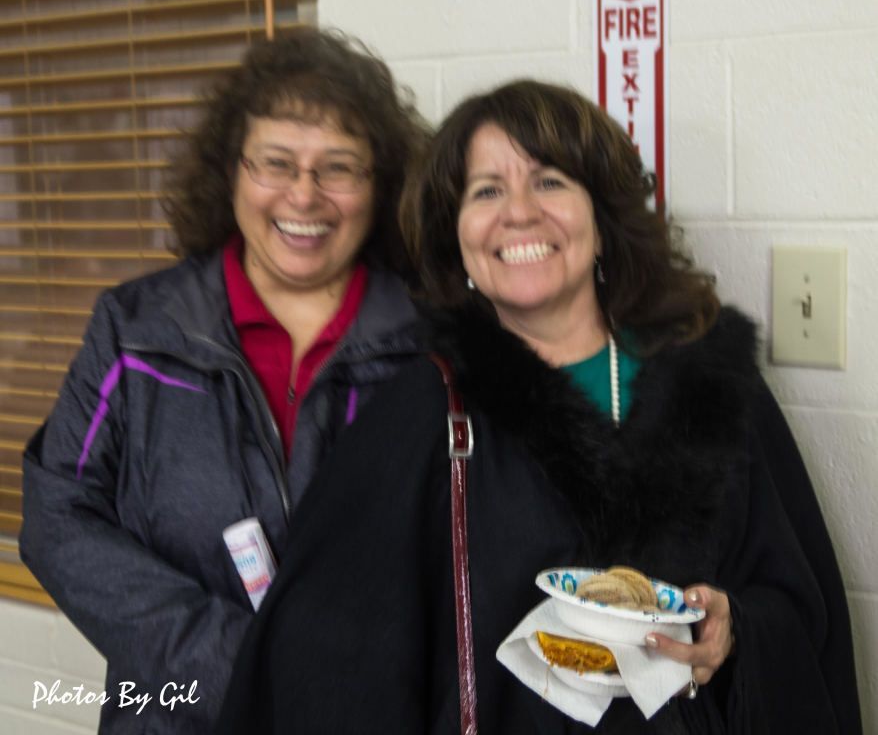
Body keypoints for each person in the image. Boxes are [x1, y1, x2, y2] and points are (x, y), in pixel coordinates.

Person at [218, 81, 861, 734]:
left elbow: (801, 609)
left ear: (603, 222)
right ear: (458, 234)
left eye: (550, 182)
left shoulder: (713, 385)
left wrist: (733, 631)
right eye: (487, 190)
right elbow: (325, 660)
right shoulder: (421, 411)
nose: (519, 213)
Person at [20, 27, 429, 733]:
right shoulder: (136, 329)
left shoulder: (430, 347)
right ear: (232, 172)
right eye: (275, 163)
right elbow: (57, 521)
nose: (304, 195)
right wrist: (238, 662)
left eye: (339, 168)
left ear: (379, 185)